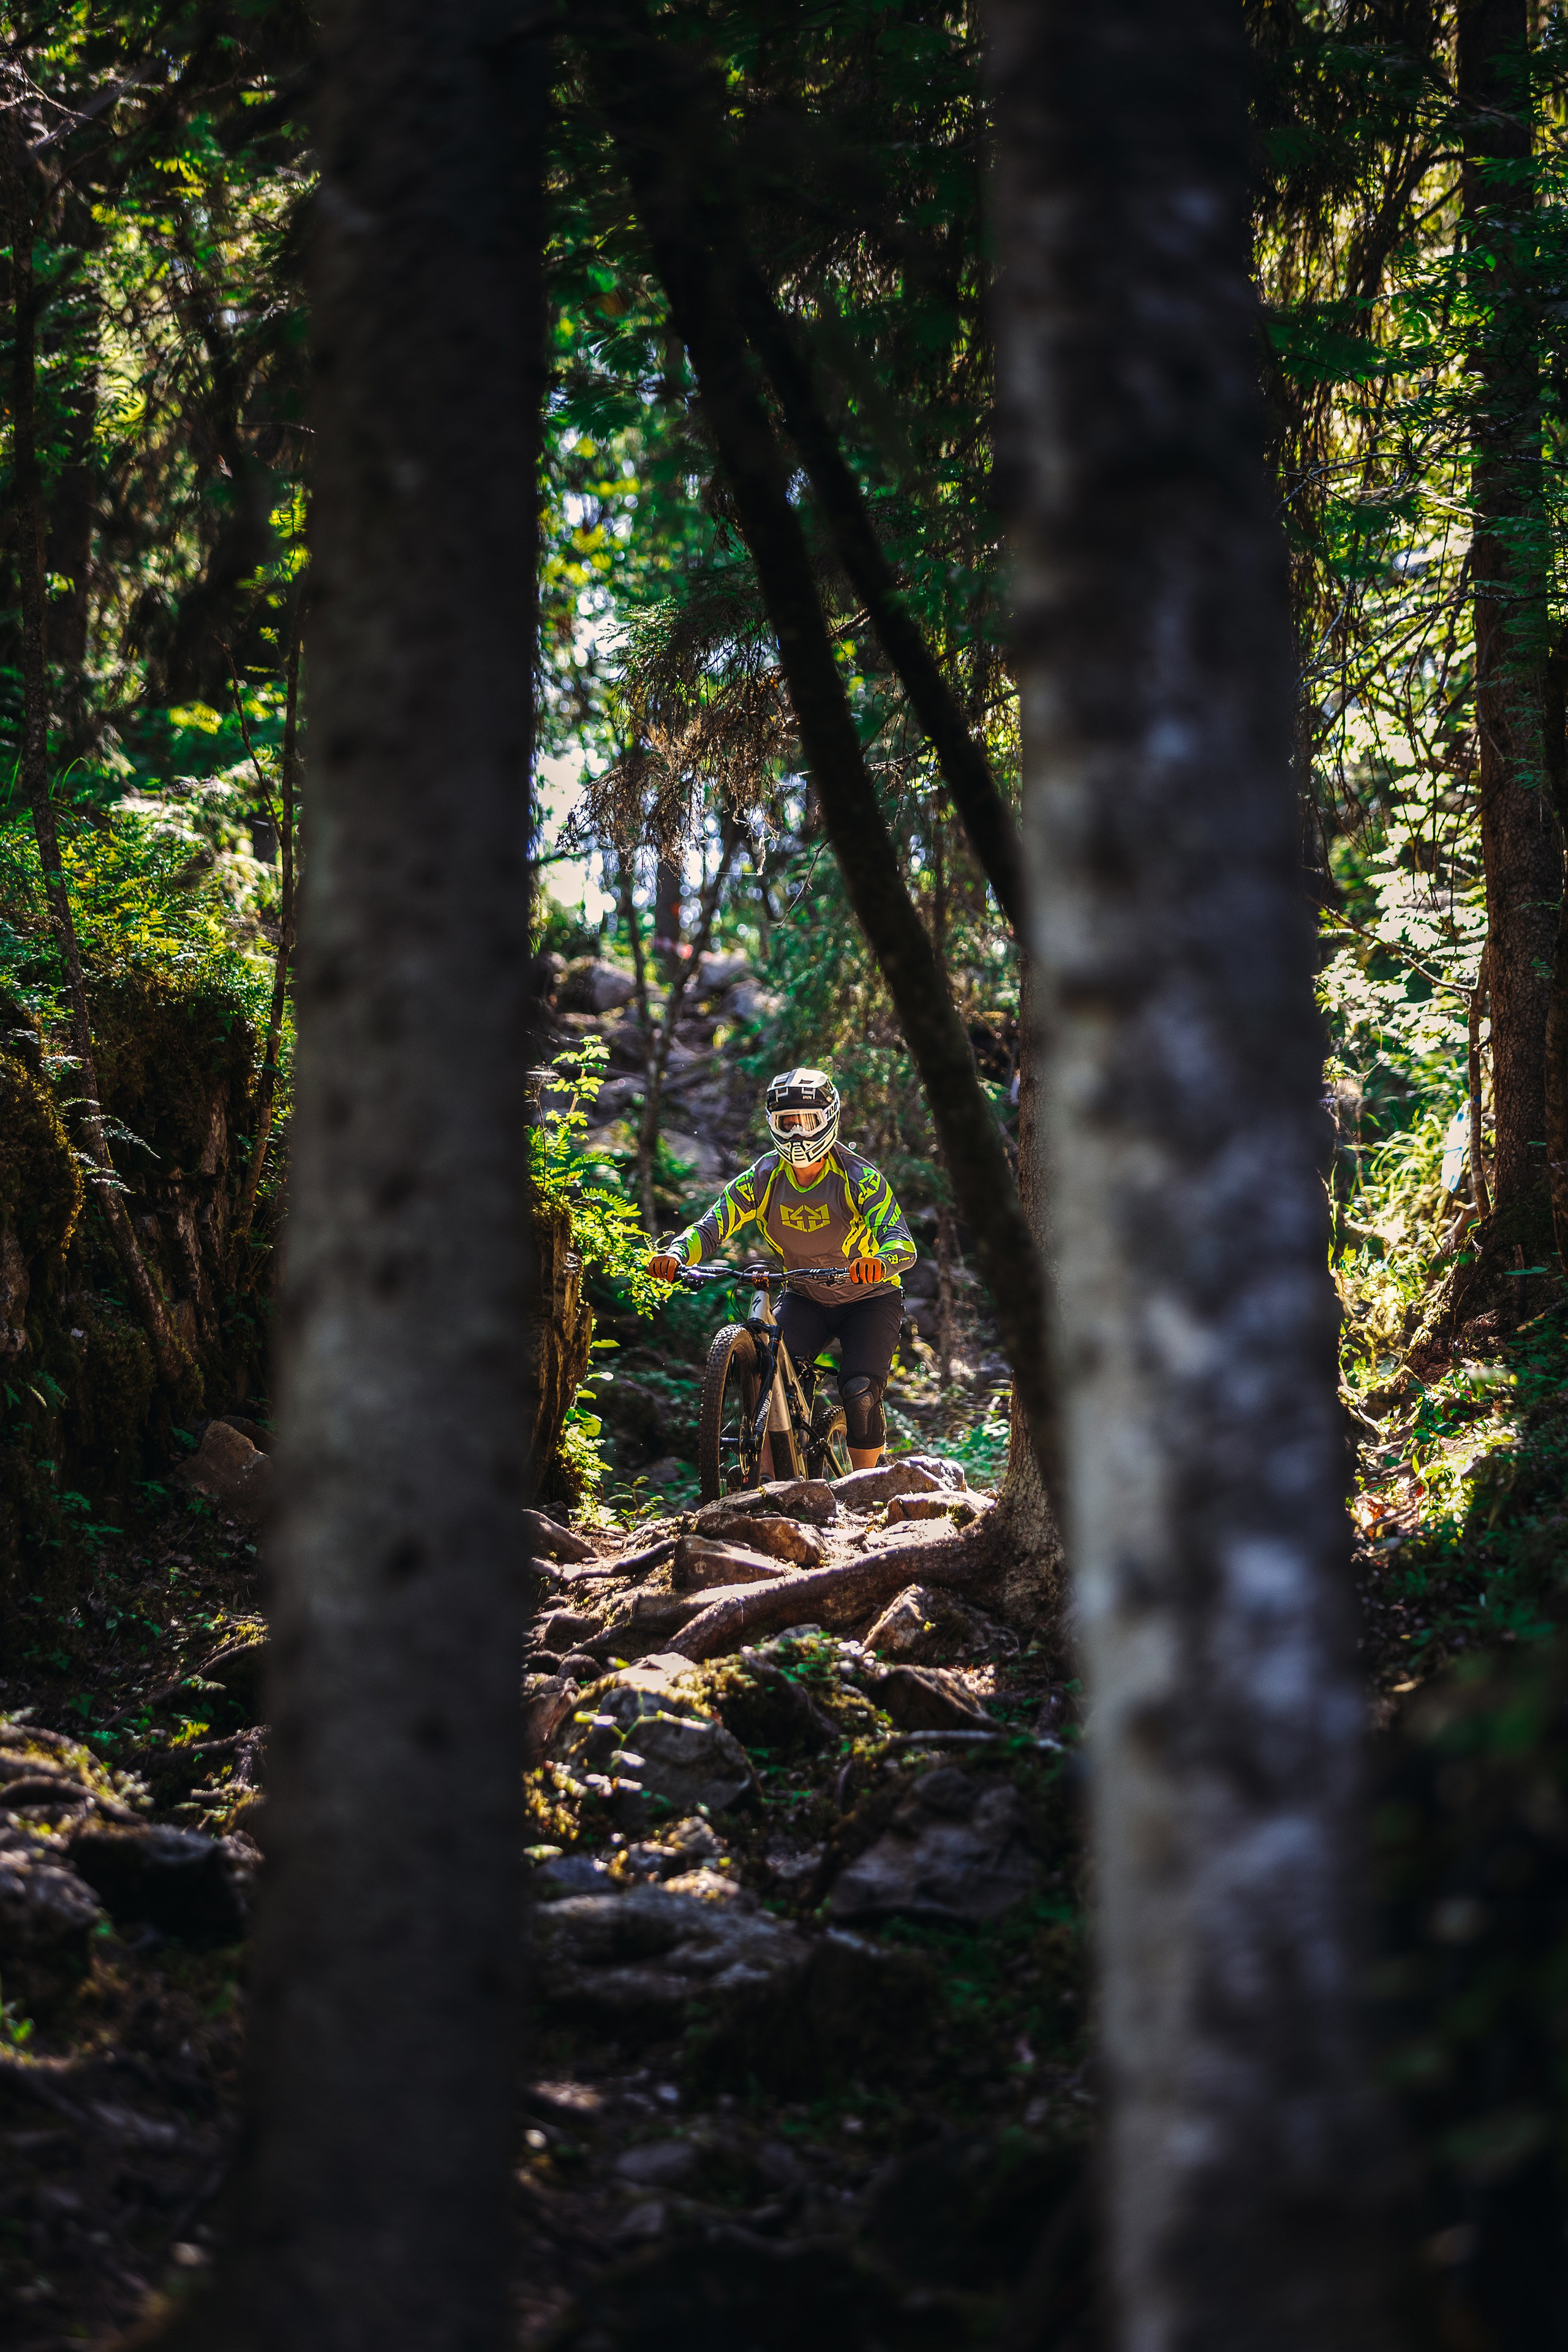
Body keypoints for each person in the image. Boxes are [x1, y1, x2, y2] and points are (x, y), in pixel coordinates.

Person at [646, 1067, 915, 1469]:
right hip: (806, 1296)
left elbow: (902, 1245)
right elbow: (711, 1227)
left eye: (808, 1121)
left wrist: (878, 1262)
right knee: (760, 1367)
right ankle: (768, 1482)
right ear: (773, 1124)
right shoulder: (764, 1177)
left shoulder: (860, 1178)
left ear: (829, 1120)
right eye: (787, 1122)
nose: (798, 1133)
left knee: (859, 1391)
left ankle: (866, 1494)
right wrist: (678, 1254)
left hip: (870, 1299)